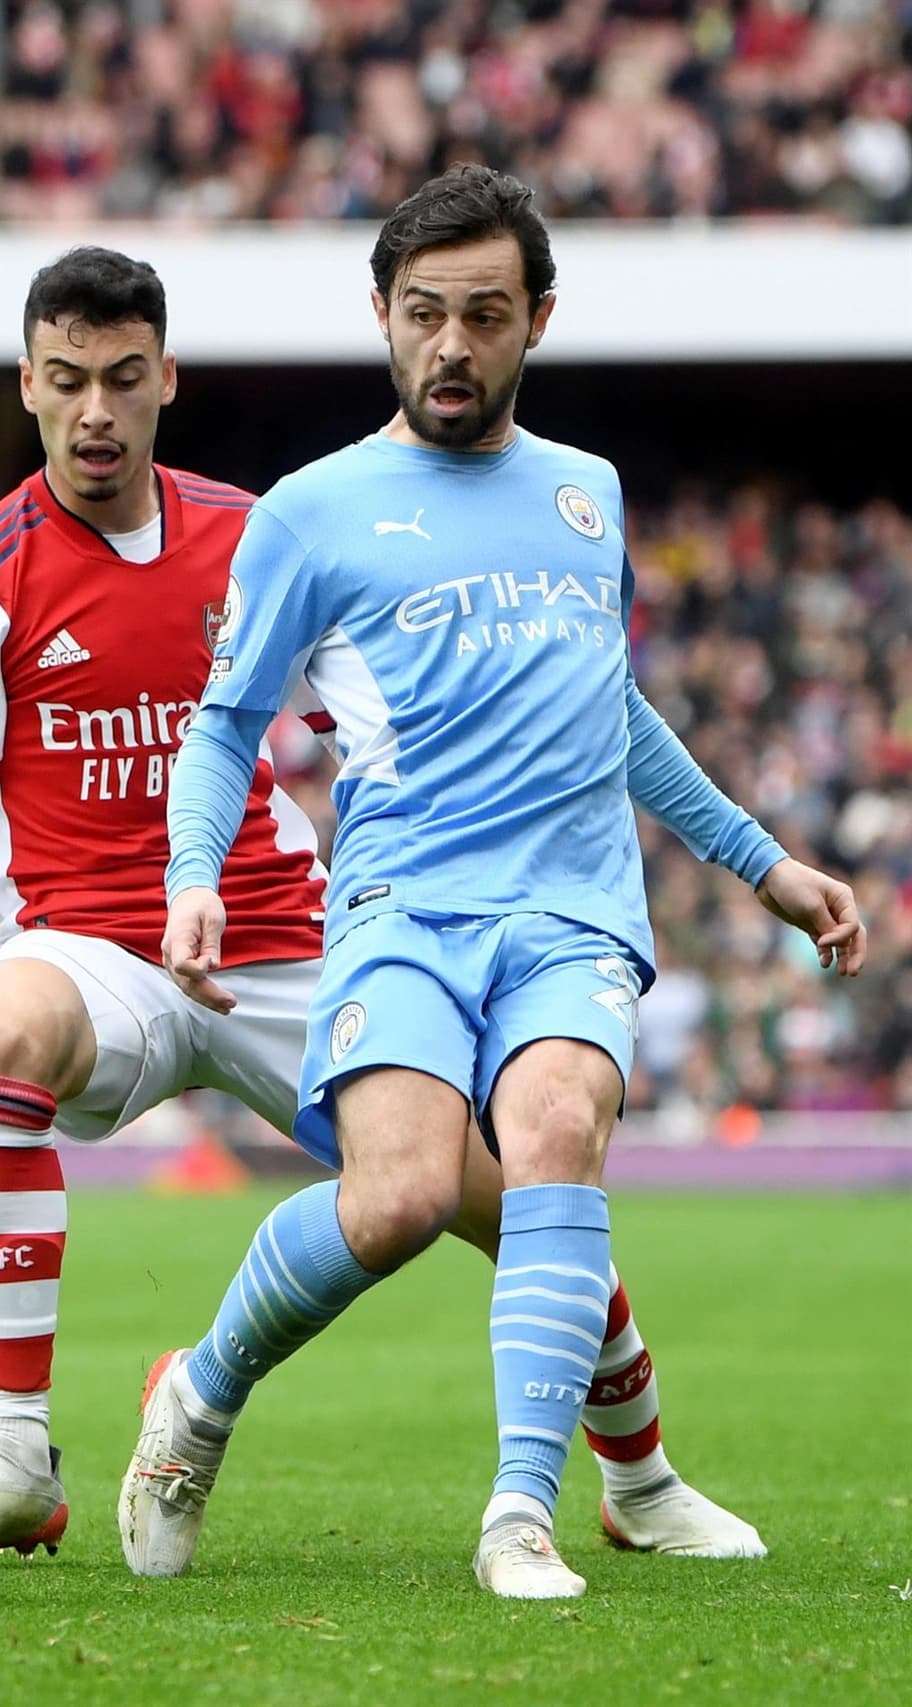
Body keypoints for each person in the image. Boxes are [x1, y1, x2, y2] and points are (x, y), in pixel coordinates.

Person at [0, 244, 767, 1575]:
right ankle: (12, 1455)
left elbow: (395, 702)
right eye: (67, 383)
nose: (98, 412)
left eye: (124, 379)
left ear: (166, 377)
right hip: (92, 952)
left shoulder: (265, 531)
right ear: (29, 386)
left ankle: (639, 1472)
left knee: (509, 1186)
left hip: (287, 936)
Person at [125, 167, 866, 1600]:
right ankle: (198, 1398)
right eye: (421, 316)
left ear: (536, 318)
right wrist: (191, 877)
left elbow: (616, 711)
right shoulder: (313, 512)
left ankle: (524, 1513)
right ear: (382, 319)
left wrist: (762, 861)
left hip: (573, 912)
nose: (450, 347)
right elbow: (224, 723)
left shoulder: (587, 494)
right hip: (403, 907)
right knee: (398, 1198)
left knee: (554, 1129)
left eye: (481, 314)